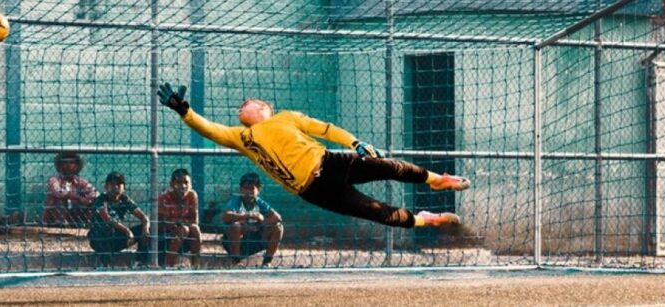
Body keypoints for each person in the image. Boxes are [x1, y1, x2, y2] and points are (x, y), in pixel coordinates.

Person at [157, 83, 470, 230]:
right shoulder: (242, 137)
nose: (241, 106)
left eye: (247, 103)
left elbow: (326, 128)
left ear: (264, 108)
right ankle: (423, 220)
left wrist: (356, 142)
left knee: (389, 166)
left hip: (332, 162)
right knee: (375, 211)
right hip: (314, 190)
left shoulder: (287, 117)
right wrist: (183, 110)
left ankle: (435, 180)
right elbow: (209, 128)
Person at [87, 171, 151, 267]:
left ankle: (140, 262)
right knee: (108, 230)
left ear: (124, 187)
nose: (115, 187)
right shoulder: (101, 200)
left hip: (117, 238)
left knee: (145, 230)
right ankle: (104, 265)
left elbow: (143, 217)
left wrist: (145, 228)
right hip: (100, 238)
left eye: (118, 184)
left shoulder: (125, 200)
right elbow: (107, 218)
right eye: (112, 184)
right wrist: (127, 230)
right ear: (106, 186)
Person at [221, 173, 282, 266]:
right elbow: (226, 216)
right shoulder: (236, 200)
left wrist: (259, 224)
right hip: (236, 242)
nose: (248, 192)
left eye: (252, 189)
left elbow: (277, 217)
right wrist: (249, 216)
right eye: (245, 188)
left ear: (258, 190)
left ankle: (267, 262)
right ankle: (236, 261)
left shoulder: (259, 202)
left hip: (254, 241)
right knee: (235, 226)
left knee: (278, 227)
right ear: (240, 189)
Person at [157, 168, 201, 268]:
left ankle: (196, 265)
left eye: (186, 183)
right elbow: (162, 224)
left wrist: (179, 223)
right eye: (179, 183)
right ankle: (167, 264)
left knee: (195, 229)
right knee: (184, 230)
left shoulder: (192, 195)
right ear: (171, 184)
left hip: (184, 234)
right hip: (164, 237)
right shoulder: (164, 197)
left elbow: (195, 221)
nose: (183, 186)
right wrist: (179, 225)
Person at [43, 151, 98, 228]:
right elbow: (58, 192)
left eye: (72, 163)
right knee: (61, 199)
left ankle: (87, 225)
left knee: (92, 202)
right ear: (60, 165)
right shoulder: (54, 180)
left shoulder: (80, 182)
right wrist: (76, 197)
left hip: (75, 215)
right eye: (65, 162)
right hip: (55, 217)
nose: (68, 166)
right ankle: (61, 224)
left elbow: (95, 193)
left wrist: (86, 199)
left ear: (76, 166)